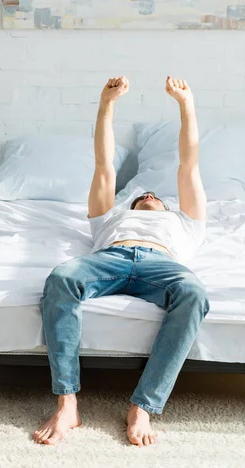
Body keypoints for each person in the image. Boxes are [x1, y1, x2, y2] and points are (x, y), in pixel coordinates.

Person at [34, 76, 210, 447]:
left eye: (155, 197)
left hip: (162, 265)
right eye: (140, 197)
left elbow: (189, 165)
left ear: (166, 207)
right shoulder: (108, 217)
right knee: (62, 277)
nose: (148, 195)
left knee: (194, 292)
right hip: (109, 258)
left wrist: (186, 105)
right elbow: (103, 166)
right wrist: (106, 104)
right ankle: (67, 404)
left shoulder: (184, 221)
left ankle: (142, 406)